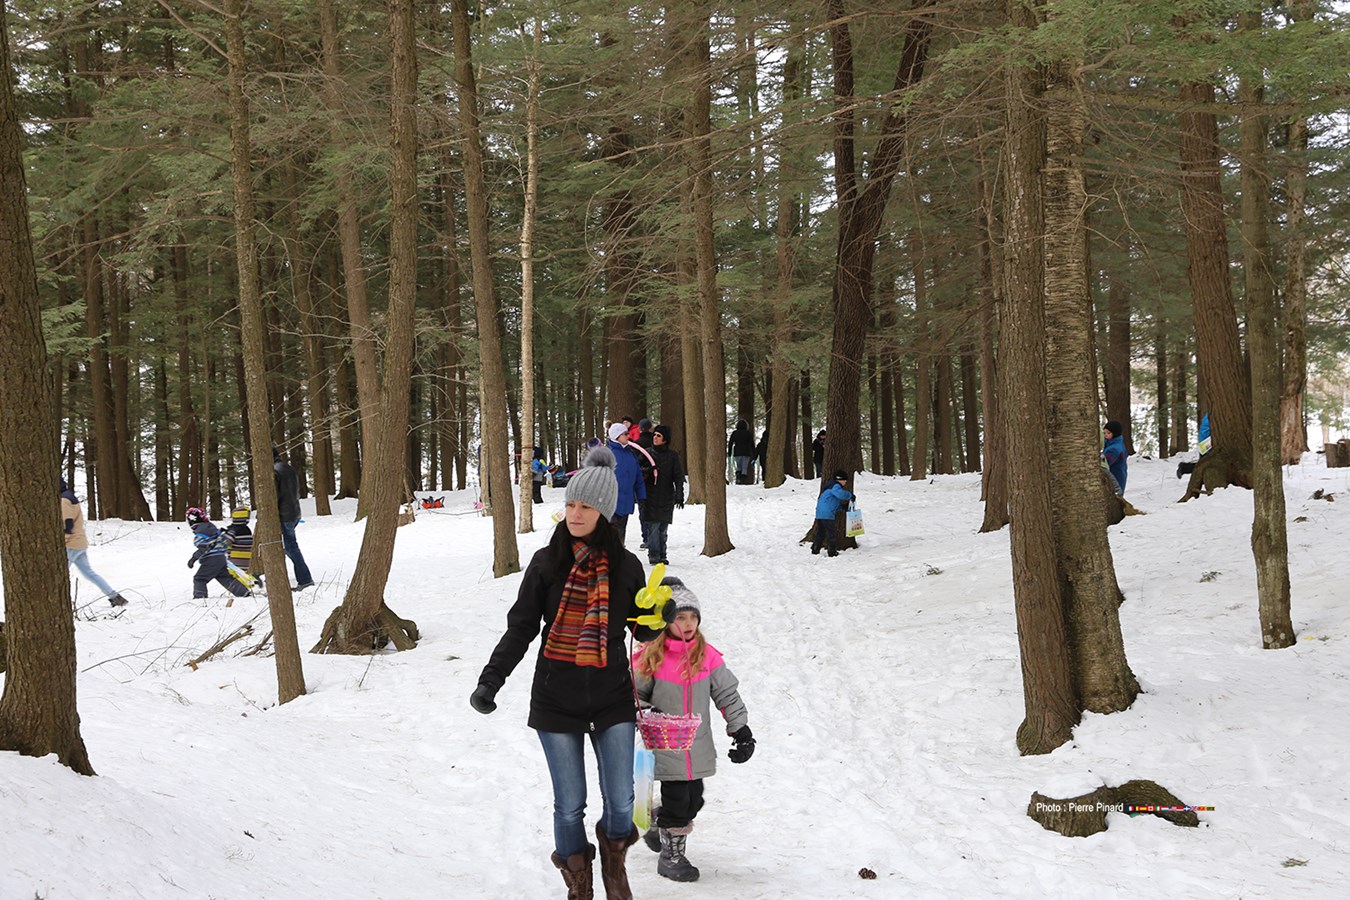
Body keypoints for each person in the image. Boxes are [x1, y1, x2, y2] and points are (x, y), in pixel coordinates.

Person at [470, 444, 665, 900]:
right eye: (570, 504)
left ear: (605, 511)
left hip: (613, 695)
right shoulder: (547, 562)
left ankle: (614, 866)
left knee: (620, 800)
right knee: (569, 805)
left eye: (586, 506)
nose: (575, 514)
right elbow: (521, 628)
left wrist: (657, 614)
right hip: (556, 698)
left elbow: (642, 631)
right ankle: (580, 882)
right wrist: (490, 680)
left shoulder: (625, 566)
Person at [633, 578, 752, 882]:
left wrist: (740, 730)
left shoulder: (706, 655)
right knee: (678, 801)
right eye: (679, 617)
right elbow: (633, 694)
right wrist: (646, 712)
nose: (687, 623)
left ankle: (661, 826)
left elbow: (727, 693)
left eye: (692, 616)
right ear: (666, 620)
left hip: (696, 745)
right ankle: (671, 857)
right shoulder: (651, 656)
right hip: (664, 744)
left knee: (694, 800)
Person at [60, 478, 127, 607]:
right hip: (78, 543)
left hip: (71, 544)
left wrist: (63, 540)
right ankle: (115, 597)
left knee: (58, 575)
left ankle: (59, 603)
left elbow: (67, 524)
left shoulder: (64, 500)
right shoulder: (69, 496)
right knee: (90, 574)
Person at [640, 424, 685, 567]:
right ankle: (653, 555)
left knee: (663, 529)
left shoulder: (672, 456)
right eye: (654, 435)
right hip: (650, 496)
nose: (655, 437)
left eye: (658, 436)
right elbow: (637, 471)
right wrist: (647, 469)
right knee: (653, 527)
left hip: (666, 497)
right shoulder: (647, 453)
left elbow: (678, 477)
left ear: (665, 439)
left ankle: (662, 554)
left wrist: (679, 495)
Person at [273, 446, 315, 590]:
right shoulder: (287, 468)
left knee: (291, 547)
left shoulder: (274, 471)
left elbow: (274, 496)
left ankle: (305, 580)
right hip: (294, 513)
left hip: (285, 515)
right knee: (289, 546)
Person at [186, 507, 250, 599]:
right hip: (221, 557)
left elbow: (203, 547)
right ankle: (243, 593)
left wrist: (193, 558)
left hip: (211, 560)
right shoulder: (212, 529)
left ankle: (200, 597)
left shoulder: (200, 532)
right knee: (224, 577)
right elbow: (223, 542)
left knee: (199, 578)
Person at [606, 422, 647, 544]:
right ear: (616, 436)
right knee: (610, 534)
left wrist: (642, 497)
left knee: (620, 533)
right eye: (625, 434)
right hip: (609, 504)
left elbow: (638, 478)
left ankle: (618, 557)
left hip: (626, 502)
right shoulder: (607, 454)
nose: (628, 436)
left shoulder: (631, 454)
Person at [811, 469, 855, 557]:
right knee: (831, 533)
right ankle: (832, 551)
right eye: (844, 481)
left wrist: (842, 507)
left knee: (821, 532)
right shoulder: (835, 486)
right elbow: (839, 494)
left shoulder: (828, 489)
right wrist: (850, 495)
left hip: (820, 514)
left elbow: (832, 504)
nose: (845, 483)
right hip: (828, 515)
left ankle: (815, 548)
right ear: (840, 480)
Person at [224, 506, 260, 584]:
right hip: (247, 558)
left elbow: (226, 543)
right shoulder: (247, 530)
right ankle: (252, 582)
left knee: (235, 576)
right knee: (243, 574)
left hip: (235, 558)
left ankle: (244, 588)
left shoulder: (233, 531)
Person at [636, 419, 655, 549]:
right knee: (654, 509)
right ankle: (654, 537)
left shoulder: (635, 445)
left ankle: (646, 537)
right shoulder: (656, 442)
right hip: (654, 481)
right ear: (650, 428)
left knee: (643, 510)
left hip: (641, 481)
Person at [1102, 420, 1127, 496]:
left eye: (1108, 433)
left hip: (1116, 475)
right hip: (1119, 472)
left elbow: (1106, 463)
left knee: (1115, 496)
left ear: (1115, 434)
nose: (1105, 435)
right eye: (1104, 432)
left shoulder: (1114, 449)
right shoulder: (1113, 442)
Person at [727, 419, 755, 485]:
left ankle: (738, 478)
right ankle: (743, 481)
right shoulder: (748, 434)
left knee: (738, 466)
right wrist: (754, 454)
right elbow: (752, 444)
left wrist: (729, 453)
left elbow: (730, 443)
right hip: (746, 452)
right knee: (744, 467)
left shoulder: (734, 433)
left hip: (737, 452)